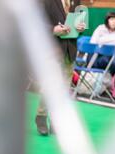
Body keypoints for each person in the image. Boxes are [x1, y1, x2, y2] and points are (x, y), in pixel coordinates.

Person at [36, 0, 86, 136]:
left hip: (70, 50)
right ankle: (41, 116)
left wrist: (80, 28)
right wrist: (53, 30)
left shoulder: (76, 2)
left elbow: (76, 24)